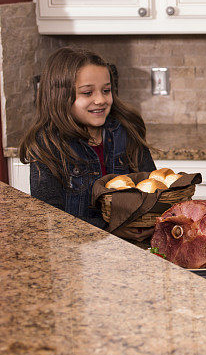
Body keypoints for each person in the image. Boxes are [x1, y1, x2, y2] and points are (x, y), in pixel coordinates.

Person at [19, 47, 156, 233]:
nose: (100, 100)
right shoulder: (47, 145)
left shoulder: (126, 130)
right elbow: (50, 218)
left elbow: (154, 189)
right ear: (60, 96)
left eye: (106, 90)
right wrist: (113, 229)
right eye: (87, 93)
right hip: (76, 254)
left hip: (132, 246)